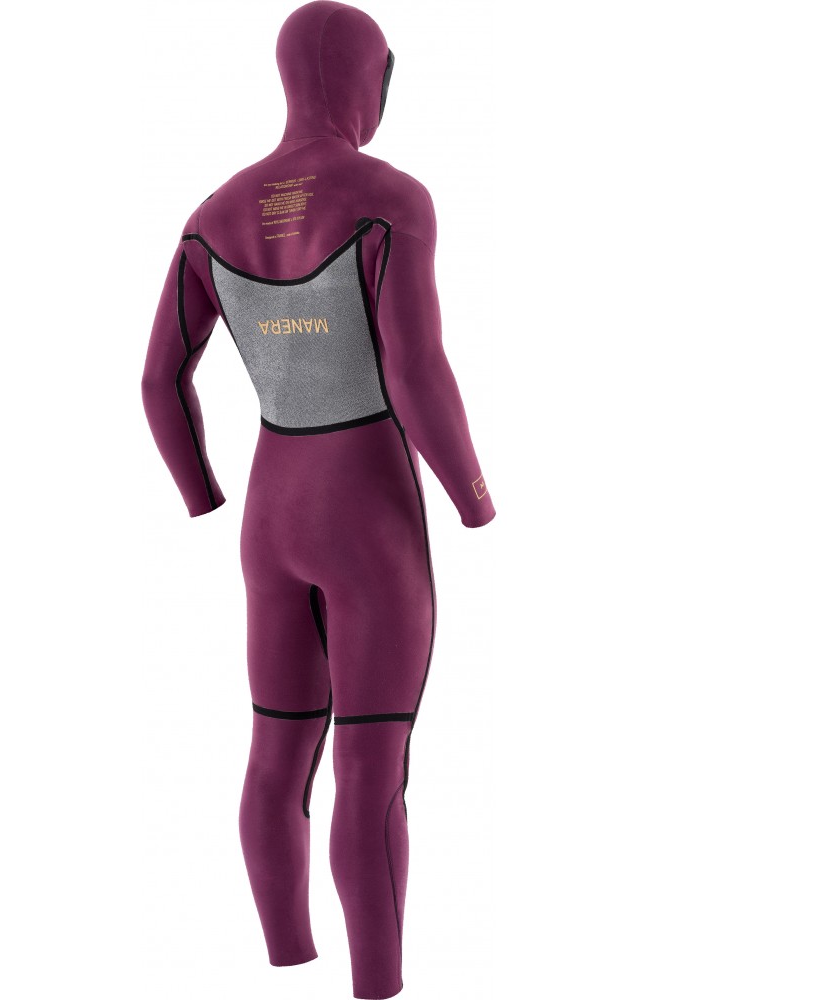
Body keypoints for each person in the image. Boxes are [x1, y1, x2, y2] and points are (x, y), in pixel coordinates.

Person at [140, 3, 496, 996]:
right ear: (368, 78)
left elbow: (158, 380)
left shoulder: (214, 211)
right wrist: (472, 497)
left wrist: (202, 495)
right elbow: (415, 371)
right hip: (366, 514)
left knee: (275, 750)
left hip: (270, 514)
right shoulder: (390, 197)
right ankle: (376, 984)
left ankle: (285, 959)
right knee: (372, 767)